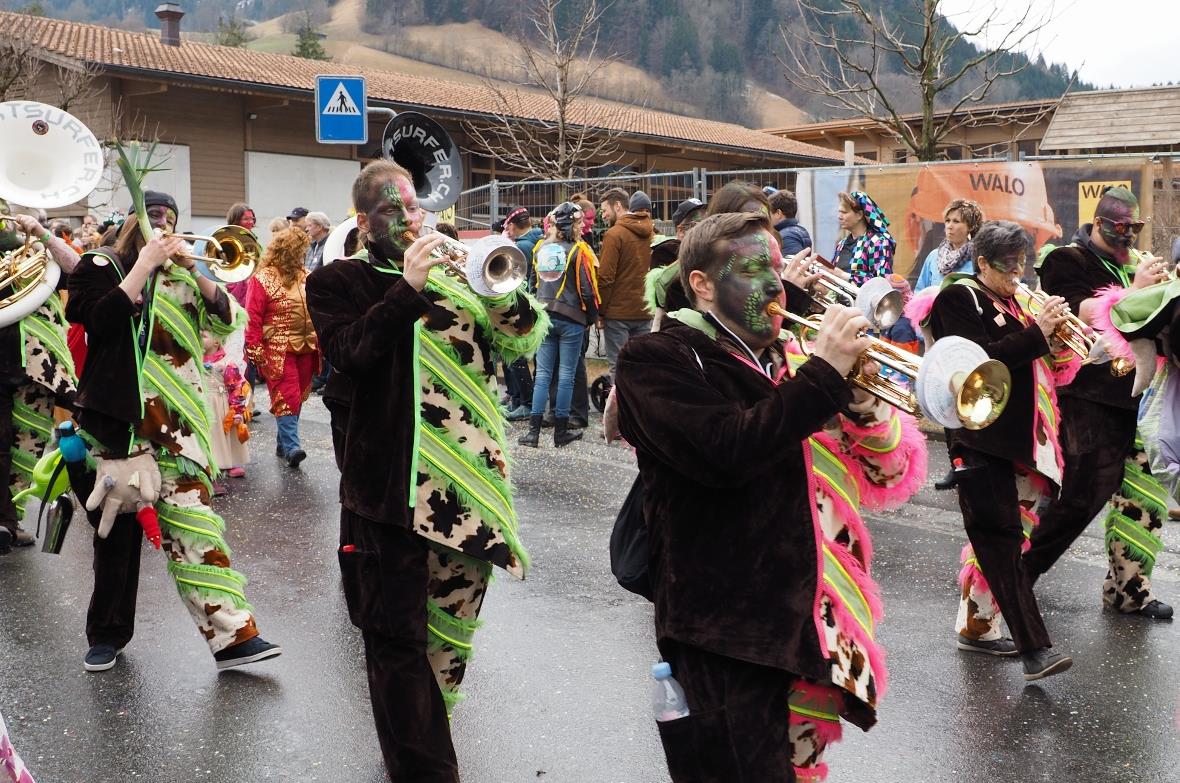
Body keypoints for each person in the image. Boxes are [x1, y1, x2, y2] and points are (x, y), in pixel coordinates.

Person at [627, 212, 927, 780]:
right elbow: (725, 451)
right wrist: (822, 377)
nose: (773, 284)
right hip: (725, 628)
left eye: (775, 267)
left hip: (811, 621)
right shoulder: (660, 358)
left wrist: (860, 400)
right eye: (752, 268)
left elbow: (888, 472)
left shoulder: (798, 353)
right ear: (702, 284)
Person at [305, 160, 545, 780]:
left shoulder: (457, 273)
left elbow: (520, 339)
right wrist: (406, 289)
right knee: (394, 640)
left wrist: (497, 285)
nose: (413, 219)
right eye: (395, 210)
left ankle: (415, 745)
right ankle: (426, 768)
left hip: (467, 487)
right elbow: (349, 355)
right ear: (364, 221)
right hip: (388, 491)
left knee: (446, 637)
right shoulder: (338, 281)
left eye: (416, 207)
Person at [65, 190, 281, 672]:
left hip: (179, 427)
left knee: (196, 528)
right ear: (131, 223)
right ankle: (106, 636)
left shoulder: (184, 273)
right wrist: (141, 265)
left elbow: (228, 320)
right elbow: (95, 320)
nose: (163, 226)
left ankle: (232, 637)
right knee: (115, 538)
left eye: (171, 220)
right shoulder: (102, 265)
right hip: (120, 426)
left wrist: (197, 273)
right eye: (154, 217)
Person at [926, 219, 1074, 680]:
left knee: (1001, 542)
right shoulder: (959, 297)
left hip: (1024, 442)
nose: (1018, 273)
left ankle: (976, 626)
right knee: (1001, 541)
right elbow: (981, 362)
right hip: (979, 439)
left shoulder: (1018, 301)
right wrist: (1037, 334)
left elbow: (1047, 361)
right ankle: (1034, 650)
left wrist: (1058, 334)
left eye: (1023, 263)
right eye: (1008, 265)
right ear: (982, 263)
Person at [1025, 186, 1174, 619]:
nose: (1130, 237)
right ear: (1102, 223)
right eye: (1122, 228)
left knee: (1142, 498)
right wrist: (1139, 292)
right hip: (1088, 395)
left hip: (1139, 398)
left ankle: (1128, 591)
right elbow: (1076, 310)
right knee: (1082, 493)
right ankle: (1017, 575)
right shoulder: (1064, 259)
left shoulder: (1133, 265)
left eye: (1136, 229)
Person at [0, 214, 80, 555]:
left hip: (31, 365)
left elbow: (77, 271)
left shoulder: (30, 257)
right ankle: (6, 520)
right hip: (11, 362)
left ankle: (11, 518)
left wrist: (41, 235)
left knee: (26, 444)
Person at [518, 202, 599, 448]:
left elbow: (532, 285)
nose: (582, 226)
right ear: (572, 225)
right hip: (572, 319)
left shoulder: (541, 248)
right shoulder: (579, 251)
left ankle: (533, 433)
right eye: (579, 222)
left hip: (544, 317)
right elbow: (587, 290)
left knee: (542, 374)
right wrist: (592, 317)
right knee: (566, 376)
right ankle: (560, 432)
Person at [245, 227, 320, 468]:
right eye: (300, 252)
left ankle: (283, 442)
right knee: (287, 395)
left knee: (297, 396)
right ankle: (292, 448)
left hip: (308, 347)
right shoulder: (263, 277)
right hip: (278, 349)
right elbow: (253, 316)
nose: (303, 257)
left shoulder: (306, 275)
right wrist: (254, 348)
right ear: (288, 251)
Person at [598, 190, 654, 381]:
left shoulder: (614, 235)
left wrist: (601, 311)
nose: (603, 215)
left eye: (605, 210)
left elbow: (605, 277)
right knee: (642, 368)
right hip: (645, 311)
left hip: (618, 314)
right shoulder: (652, 234)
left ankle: (621, 410)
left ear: (618, 206)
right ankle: (641, 409)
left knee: (619, 368)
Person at [501, 207, 543, 420]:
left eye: (508, 225)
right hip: (537, 304)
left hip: (524, 304)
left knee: (516, 354)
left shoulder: (522, 246)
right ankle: (521, 400)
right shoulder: (539, 239)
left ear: (513, 225)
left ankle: (525, 401)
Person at [202, 333, 250, 491]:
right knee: (210, 441)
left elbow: (236, 387)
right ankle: (210, 476)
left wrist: (237, 410)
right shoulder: (194, 361)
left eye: (203, 336)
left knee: (224, 438)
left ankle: (228, 464)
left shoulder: (227, 363)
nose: (199, 339)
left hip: (221, 408)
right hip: (204, 407)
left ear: (217, 341)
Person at [915, 199, 984, 292]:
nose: (949, 226)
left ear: (971, 226)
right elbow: (920, 293)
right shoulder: (933, 256)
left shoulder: (978, 259)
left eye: (956, 221)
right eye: (947, 221)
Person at [833, 191, 895, 286]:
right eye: (839, 212)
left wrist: (842, 275)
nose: (839, 217)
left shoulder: (879, 243)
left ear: (859, 215)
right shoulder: (841, 244)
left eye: (844, 212)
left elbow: (882, 282)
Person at [769, 189, 812, 257]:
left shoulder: (786, 237)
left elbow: (792, 265)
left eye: (770, 214)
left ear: (778, 213)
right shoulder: (799, 230)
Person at [706, 181, 771, 218]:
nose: (760, 228)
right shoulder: (704, 240)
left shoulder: (772, 239)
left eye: (764, 220)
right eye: (750, 221)